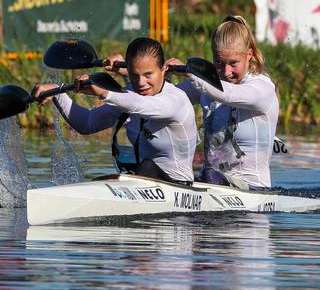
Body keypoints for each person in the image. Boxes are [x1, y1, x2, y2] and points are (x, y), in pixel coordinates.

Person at [34, 37, 197, 184]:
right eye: (134, 75)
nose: (140, 83)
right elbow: (87, 123)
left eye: (148, 74)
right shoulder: (130, 95)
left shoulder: (175, 101)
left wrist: (103, 91)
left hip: (178, 186)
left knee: (146, 167)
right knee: (140, 169)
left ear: (163, 69)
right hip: (142, 179)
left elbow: (139, 104)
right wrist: (58, 93)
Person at [167, 15, 279, 190]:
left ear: (249, 55)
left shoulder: (262, 88)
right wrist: (139, 75)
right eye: (219, 63)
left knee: (209, 174)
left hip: (255, 190)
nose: (226, 72)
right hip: (213, 182)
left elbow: (230, 95)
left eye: (233, 63)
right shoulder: (208, 84)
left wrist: (192, 75)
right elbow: (166, 97)